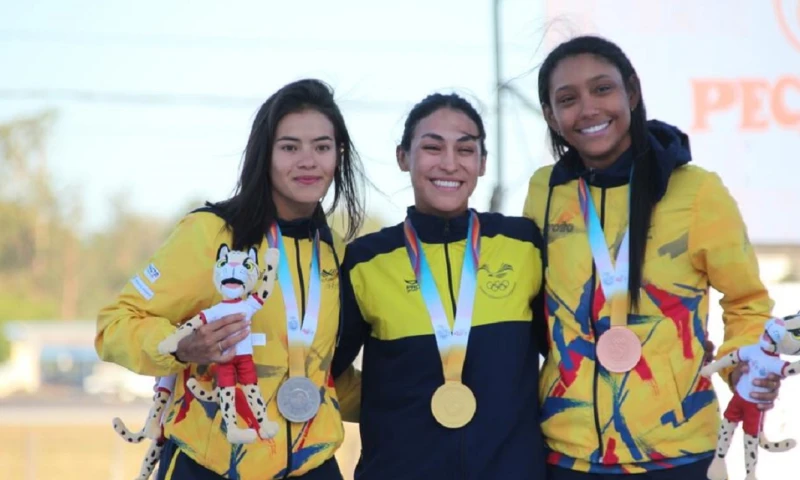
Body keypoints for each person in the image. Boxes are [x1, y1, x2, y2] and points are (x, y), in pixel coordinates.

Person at [522, 35, 781, 478]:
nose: (587, 109)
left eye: (602, 89)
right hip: (565, 455)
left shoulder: (696, 191)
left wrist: (741, 366)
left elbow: (746, 301)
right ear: (550, 115)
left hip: (678, 454)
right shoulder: (545, 191)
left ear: (632, 92)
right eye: (568, 99)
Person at [96, 78, 364, 480]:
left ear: (338, 156)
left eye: (322, 147)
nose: (308, 161)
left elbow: (324, 372)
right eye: (290, 147)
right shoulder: (211, 234)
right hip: (210, 468)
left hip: (313, 467)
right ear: (264, 155)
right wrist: (182, 348)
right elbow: (114, 325)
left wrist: (417, 397)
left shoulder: (335, 252)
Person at [331, 93, 548, 479]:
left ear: (482, 163)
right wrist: (383, 405)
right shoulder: (367, 259)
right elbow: (324, 366)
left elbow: (565, 356)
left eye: (466, 150)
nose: (449, 163)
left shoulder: (523, 244)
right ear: (403, 157)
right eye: (432, 147)